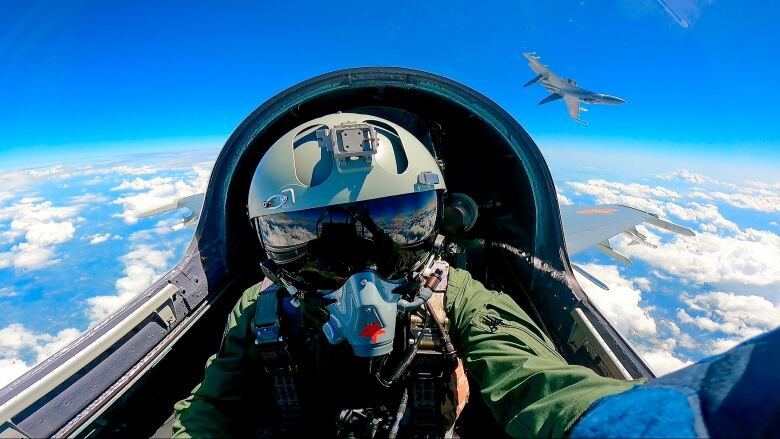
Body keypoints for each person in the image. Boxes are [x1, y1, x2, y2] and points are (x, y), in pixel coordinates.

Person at [172, 112, 779, 438]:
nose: (364, 271)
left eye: (396, 225)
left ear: (439, 224)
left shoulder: (453, 295)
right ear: (269, 246)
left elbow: (540, 386)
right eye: (314, 238)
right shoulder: (262, 311)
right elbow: (206, 416)